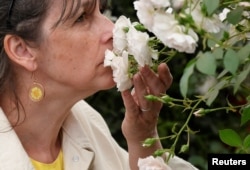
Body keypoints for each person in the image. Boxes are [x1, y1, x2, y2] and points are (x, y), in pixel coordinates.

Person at [0, 0, 198, 169]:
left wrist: (144, 138)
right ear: (22, 50)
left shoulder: (87, 122)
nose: (111, 30)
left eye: (100, 11)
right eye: (81, 17)